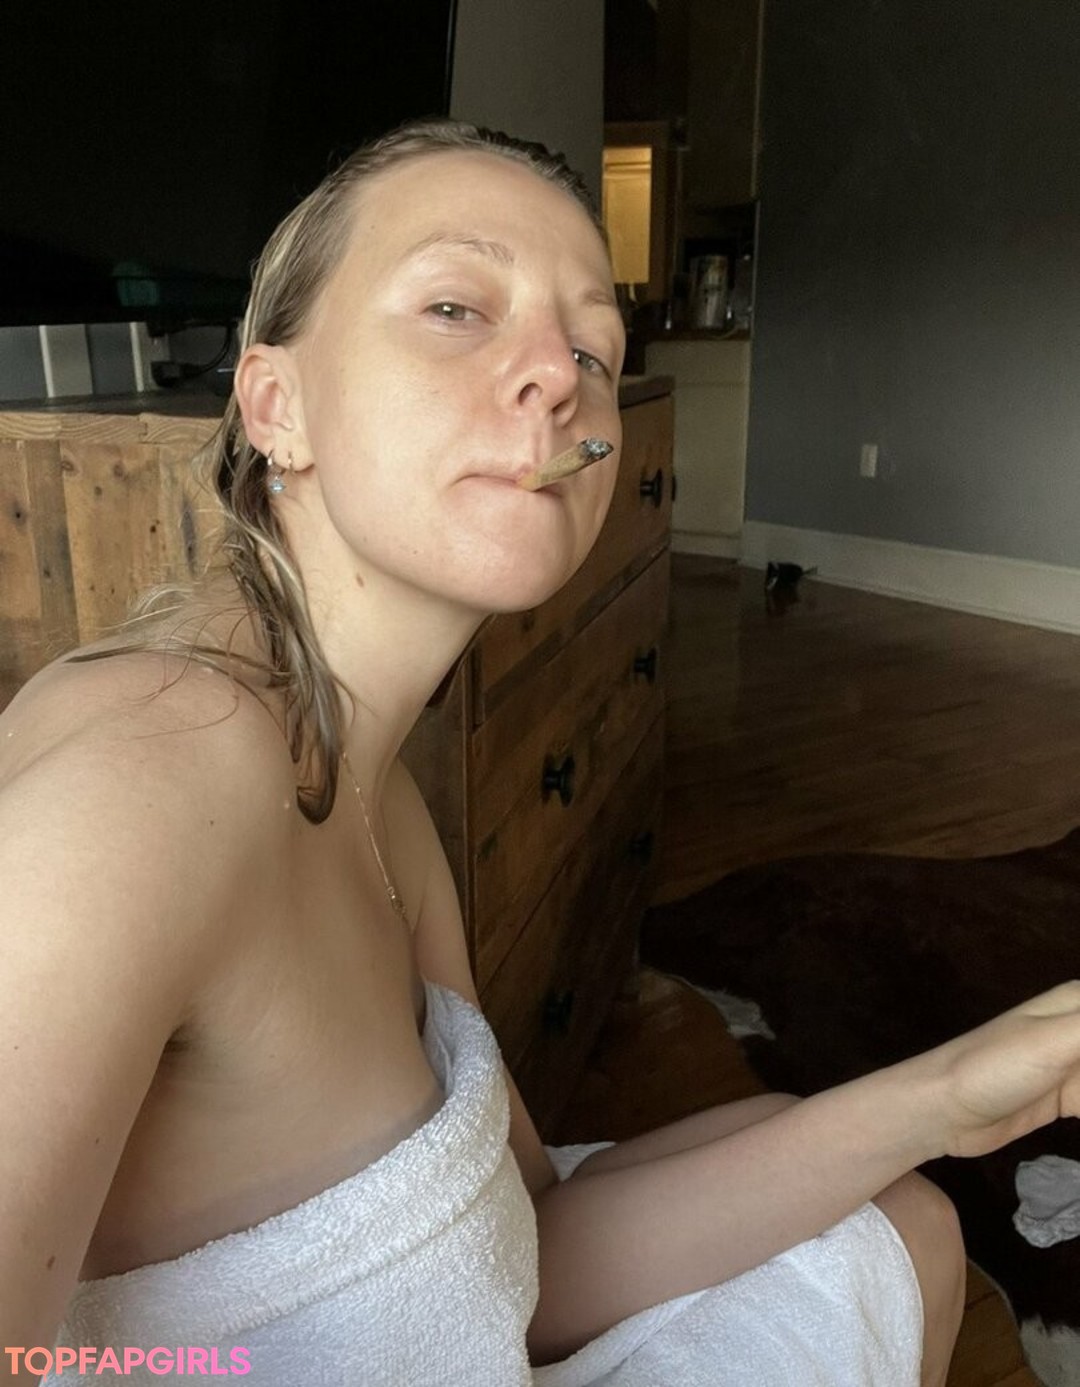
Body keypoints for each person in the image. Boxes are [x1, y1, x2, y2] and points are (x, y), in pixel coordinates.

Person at [2, 117, 1079, 1387]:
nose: (558, 379)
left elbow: (530, 1253)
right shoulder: (141, 780)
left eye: (594, 349)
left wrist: (951, 1091)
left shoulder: (380, 799)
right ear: (276, 404)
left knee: (898, 1207)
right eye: (457, 307)